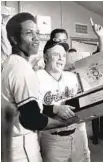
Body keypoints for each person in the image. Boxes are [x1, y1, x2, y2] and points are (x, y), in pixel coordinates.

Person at [1, 12, 73, 162]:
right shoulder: (22, 69)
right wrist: (63, 123)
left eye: (37, 32)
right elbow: (31, 118)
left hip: (9, 140)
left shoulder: (10, 63)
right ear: (14, 39)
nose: (36, 37)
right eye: (28, 33)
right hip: (22, 145)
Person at [36, 18, 103, 162]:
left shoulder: (72, 74)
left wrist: (101, 37)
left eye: (63, 54)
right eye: (56, 54)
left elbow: (98, 63)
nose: (61, 58)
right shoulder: (36, 76)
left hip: (78, 132)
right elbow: (29, 109)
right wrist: (54, 109)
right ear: (45, 57)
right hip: (53, 138)